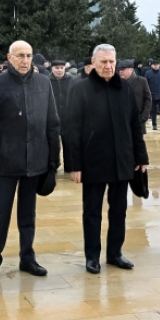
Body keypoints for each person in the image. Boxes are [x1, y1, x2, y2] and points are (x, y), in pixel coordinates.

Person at [0, 41, 61, 282]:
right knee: (0, 214)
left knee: (28, 213)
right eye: (20, 55)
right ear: (9, 58)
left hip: (35, 160)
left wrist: (53, 161)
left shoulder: (43, 83)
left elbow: (52, 124)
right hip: (5, 163)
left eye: (29, 55)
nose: (25, 60)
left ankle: (27, 257)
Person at [64, 44, 149, 274]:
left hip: (122, 159)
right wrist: (74, 165)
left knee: (119, 209)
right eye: (103, 61)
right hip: (93, 160)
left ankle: (115, 253)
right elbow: (71, 129)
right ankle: (92, 256)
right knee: (92, 212)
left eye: (112, 61)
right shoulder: (80, 89)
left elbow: (135, 125)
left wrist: (141, 156)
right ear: (93, 63)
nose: (109, 66)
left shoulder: (125, 89)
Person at [118, 59, 152, 133]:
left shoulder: (142, 81)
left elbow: (148, 99)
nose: (120, 71)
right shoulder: (117, 83)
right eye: (119, 69)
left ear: (131, 70)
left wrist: (144, 117)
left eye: (123, 69)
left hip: (138, 120)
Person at [143, 59, 160, 131]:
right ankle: (154, 125)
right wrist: (147, 93)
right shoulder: (148, 73)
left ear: (159, 65)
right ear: (152, 65)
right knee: (153, 110)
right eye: (154, 65)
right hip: (152, 95)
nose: (156, 66)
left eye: (157, 65)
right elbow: (145, 84)